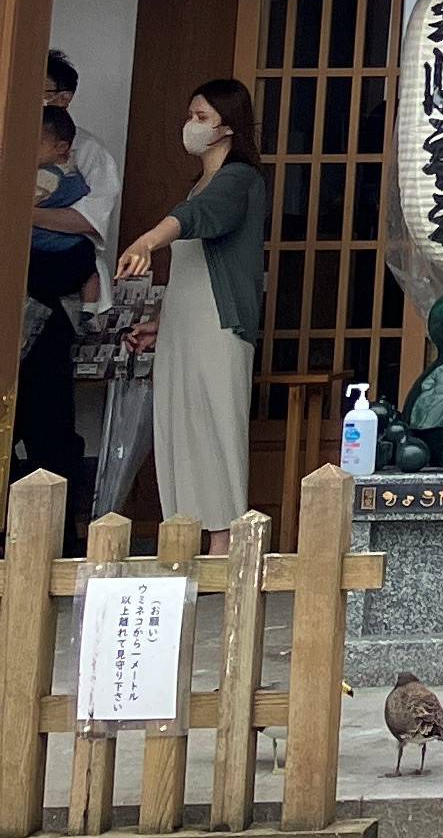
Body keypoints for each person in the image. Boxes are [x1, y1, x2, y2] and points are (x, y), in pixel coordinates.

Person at [115, 77, 267, 545]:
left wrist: (148, 240)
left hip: (220, 322)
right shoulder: (199, 183)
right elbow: (191, 267)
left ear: (228, 128)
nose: (191, 125)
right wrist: (162, 323)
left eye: (202, 118)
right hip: (185, 324)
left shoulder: (238, 179)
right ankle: (189, 536)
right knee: (180, 428)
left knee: (213, 425)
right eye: (191, 115)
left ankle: (224, 544)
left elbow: (204, 220)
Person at [13, 102, 101, 522]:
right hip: (36, 318)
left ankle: (55, 536)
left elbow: (85, 237)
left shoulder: (56, 177)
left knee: (49, 441)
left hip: (43, 329)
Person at [45, 52, 122, 294]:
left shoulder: (90, 151)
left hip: (66, 276)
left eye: (41, 91)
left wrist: (21, 213)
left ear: (64, 98)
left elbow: (88, 221)